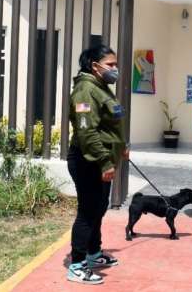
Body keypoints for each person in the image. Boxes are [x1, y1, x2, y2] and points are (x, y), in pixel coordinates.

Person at [66, 45, 128, 285]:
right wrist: (104, 161)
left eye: (115, 64)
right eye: (110, 65)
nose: (115, 69)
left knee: (99, 208)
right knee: (88, 211)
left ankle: (93, 253)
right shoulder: (85, 91)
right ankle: (77, 264)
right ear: (95, 66)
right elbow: (87, 132)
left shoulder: (101, 88)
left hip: (102, 159)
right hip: (88, 160)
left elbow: (108, 125)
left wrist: (121, 145)